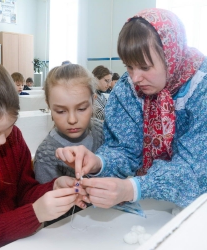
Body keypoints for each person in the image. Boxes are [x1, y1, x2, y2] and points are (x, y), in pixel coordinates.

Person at [55, 8, 207, 210]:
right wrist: (100, 162)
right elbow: (125, 149)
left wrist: (132, 188)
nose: (135, 78)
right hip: (149, 200)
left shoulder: (201, 89)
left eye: (145, 67)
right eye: (128, 66)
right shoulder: (128, 88)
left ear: (171, 56)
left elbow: (195, 169)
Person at [0, 58, 86, 249]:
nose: (1, 140)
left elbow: (24, 191)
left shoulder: (13, 138)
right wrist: (34, 215)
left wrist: (52, 189)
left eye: (9, 127)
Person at [34, 64, 104, 225]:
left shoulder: (101, 131)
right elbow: (48, 208)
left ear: (93, 101)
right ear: (49, 106)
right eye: (61, 111)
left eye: (81, 108)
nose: (72, 120)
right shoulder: (46, 153)